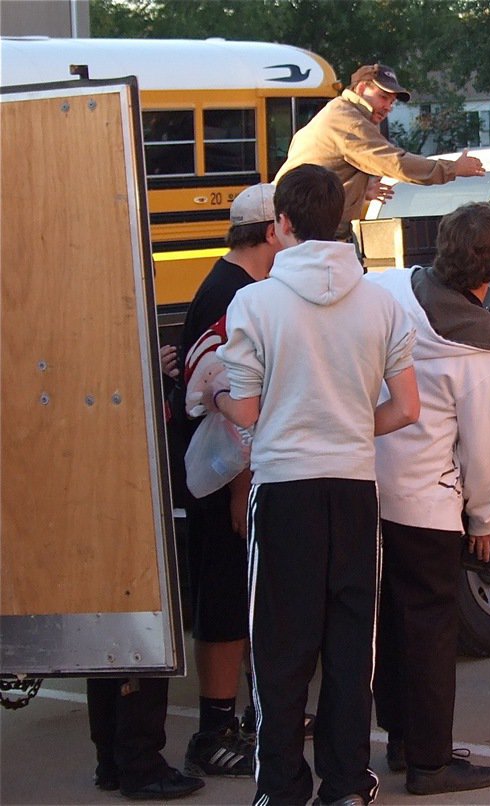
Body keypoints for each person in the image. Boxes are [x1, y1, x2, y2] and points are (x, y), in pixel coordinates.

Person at [211, 163, 420, 806]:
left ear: (282, 225)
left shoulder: (255, 301)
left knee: (280, 650)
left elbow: (245, 412)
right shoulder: (382, 300)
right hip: (355, 486)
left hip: (284, 488)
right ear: (343, 221)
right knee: (352, 644)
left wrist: (220, 396)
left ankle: (280, 787)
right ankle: (348, 784)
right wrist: (353, 424)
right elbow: (407, 408)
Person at [369, 201, 490, 795]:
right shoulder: (485, 346)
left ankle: (404, 738)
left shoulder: (388, 289)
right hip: (428, 500)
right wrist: (487, 514)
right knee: (431, 630)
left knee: (390, 622)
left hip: (365, 482)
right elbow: (483, 449)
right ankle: (430, 761)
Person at [168, 184, 280, 779]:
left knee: (237, 598)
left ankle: (243, 716)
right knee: (226, 601)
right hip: (218, 478)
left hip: (214, 472)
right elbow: (229, 404)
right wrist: (242, 488)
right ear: (270, 233)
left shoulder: (227, 286)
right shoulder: (235, 298)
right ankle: (213, 729)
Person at [275, 62, 485, 240]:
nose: (388, 107)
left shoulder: (341, 112)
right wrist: (453, 168)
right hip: (302, 232)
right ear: (360, 89)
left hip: (298, 228)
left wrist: (358, 190)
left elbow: (324, 168)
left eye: (392, 102)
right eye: (383, 97)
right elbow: (395, 162)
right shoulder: (349, 121)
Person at [87, 677, 205, 801]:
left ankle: (111, 762)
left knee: (107, 663)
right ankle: (141, 767)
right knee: (144, 662)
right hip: (138, 762)